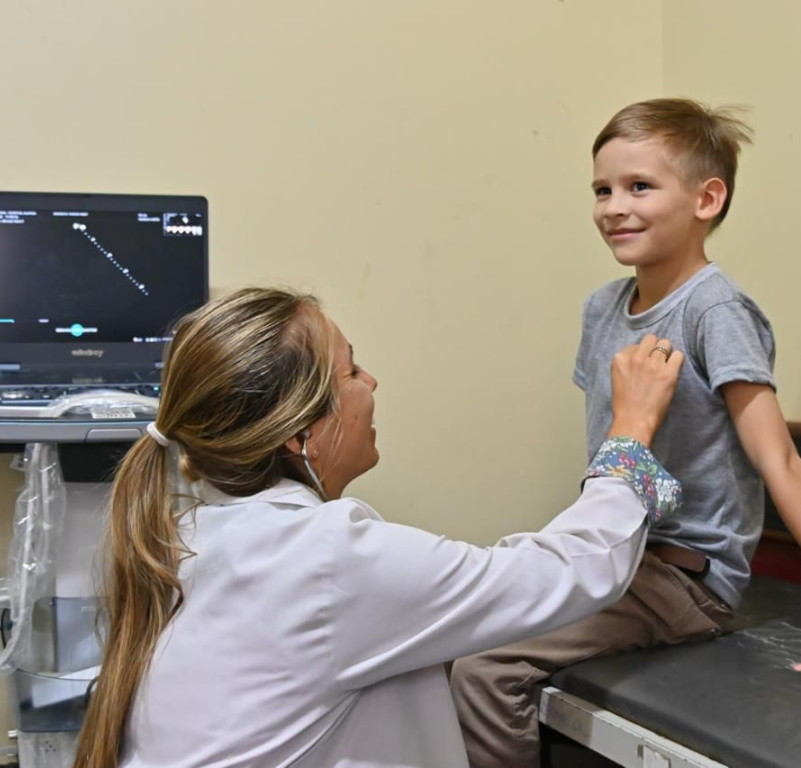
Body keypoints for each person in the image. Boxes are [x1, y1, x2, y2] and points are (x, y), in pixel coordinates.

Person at [450, 98, 801, 768]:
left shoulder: (716, 310)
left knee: (483, 670)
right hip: (611, 556)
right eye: (602, 189)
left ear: (707, 199)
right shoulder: (602, 308)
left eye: (639, 187)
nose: (613, 207)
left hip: (684, 582)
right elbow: (615, 453)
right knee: (445, 632)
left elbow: (781, 462)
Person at [72, 286, 689, 768]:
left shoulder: (204, 536)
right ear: (299, 432)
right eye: (351, 370)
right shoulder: (320, 557)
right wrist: (629, 433)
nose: (371, 383)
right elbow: (567, 571)